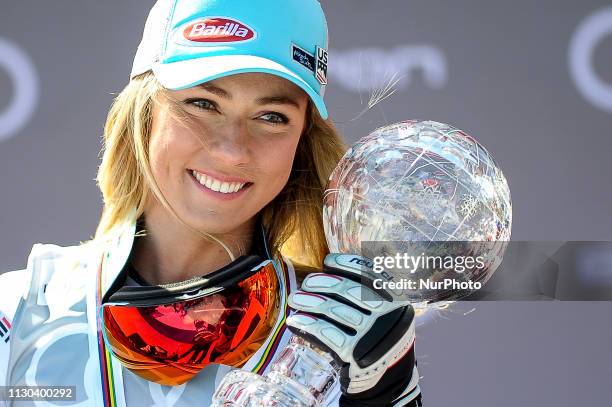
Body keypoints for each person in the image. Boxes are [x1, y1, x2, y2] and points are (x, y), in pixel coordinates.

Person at [0, 1, 422, 405]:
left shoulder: (338, 341)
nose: (232, 150)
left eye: (272, 116)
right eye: (203, 104)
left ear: (303, 141)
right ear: (144, 114)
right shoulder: (16, 314)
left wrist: (389, 400)